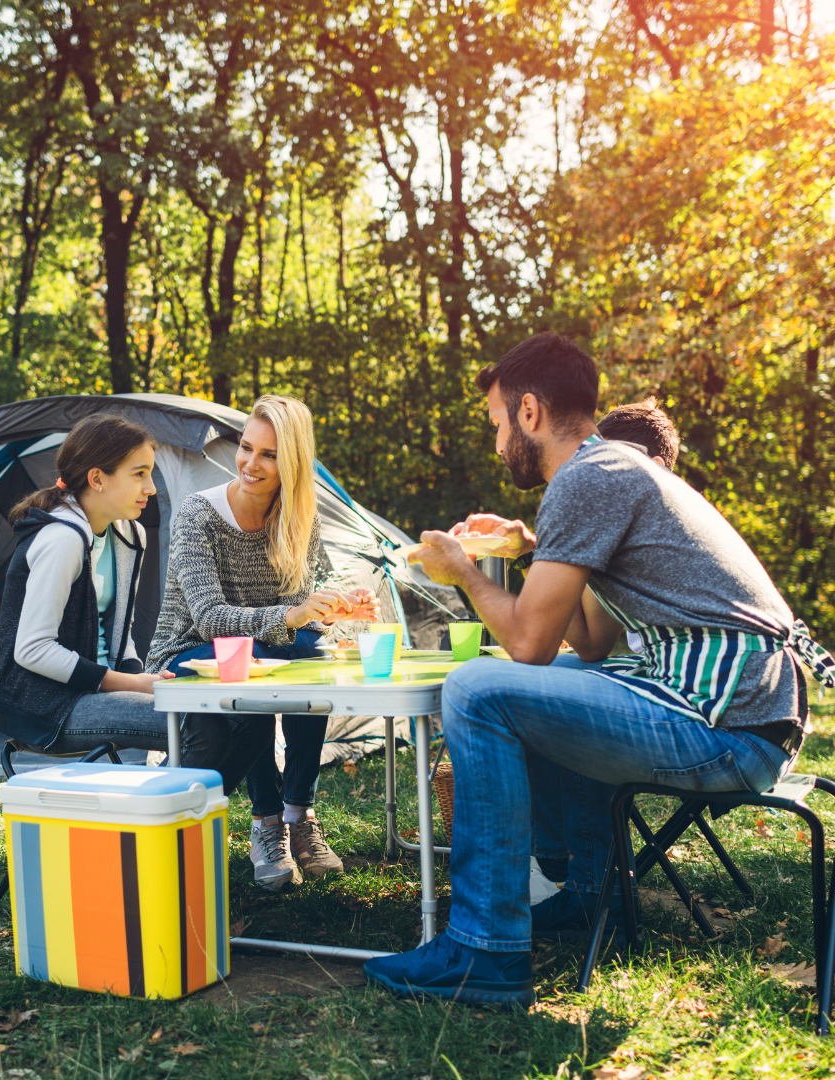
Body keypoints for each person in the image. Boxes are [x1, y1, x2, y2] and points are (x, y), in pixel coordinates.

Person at [363, 331, 834, 1009]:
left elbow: (526, 644)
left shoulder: (586, 478)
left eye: (496, 423)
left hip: (726, 725)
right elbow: (588, 640)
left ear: (529, 412)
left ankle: (484, 948)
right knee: (562, 683)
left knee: (475, 687)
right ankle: (587, 895)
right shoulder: (611, 471)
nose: (497, 445)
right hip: (744, 716)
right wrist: (530, 551)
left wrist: (463, 572)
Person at [147, 394, 380, 890]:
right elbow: (209, 618)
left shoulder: (299, 519)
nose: (251, 463)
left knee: (310, 657)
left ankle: (300, 814)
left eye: (269, 455)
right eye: (247, 448)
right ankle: (267, 823)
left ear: (291, 463)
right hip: (188, 649)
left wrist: (338, 609)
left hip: (261, 649)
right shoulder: (198, 515)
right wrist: (292, 615)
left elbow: (300, 615)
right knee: (247, 666)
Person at [0, 413, 264, 793]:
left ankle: (164, 810)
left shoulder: (128, 533)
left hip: (99, 691)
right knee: (202, 726)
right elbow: (32, 650)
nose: (150, 488)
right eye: (139, 474)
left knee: (250, 716)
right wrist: (130, 683)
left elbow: (119, 632)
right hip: (45, 705)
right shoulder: (61, 539)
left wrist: (143, 680)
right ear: (97, 478)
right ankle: (153, 818)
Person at [530, 397, 682, 904]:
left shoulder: (668, 523)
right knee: (539, 681)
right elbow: (592, 642)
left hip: (706, 709)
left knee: (575, 705)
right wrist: (545, 556)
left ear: (653, 466)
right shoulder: (619, 523)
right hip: (668, 686)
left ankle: (587, 886)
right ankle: (555, 867)